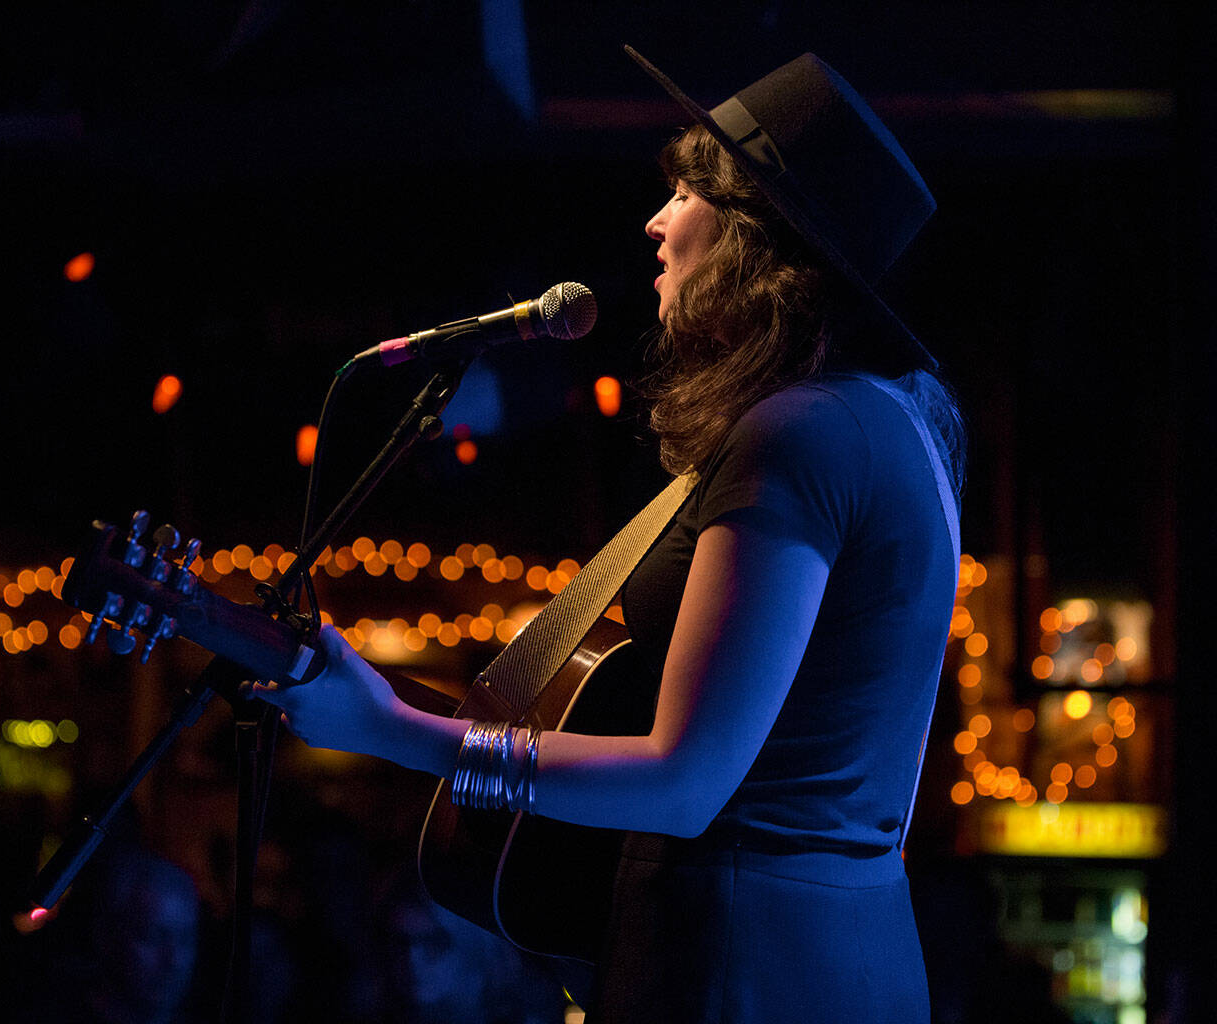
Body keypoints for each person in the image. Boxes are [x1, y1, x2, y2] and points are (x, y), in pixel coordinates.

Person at [258, 47, 965, 1023]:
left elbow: (683, 781)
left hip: (731, 962)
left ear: (753, 234)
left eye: (683, 190)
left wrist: (388, 730)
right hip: (851, 956)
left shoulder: (799, 430)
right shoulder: (899, 423)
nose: (655, 220)